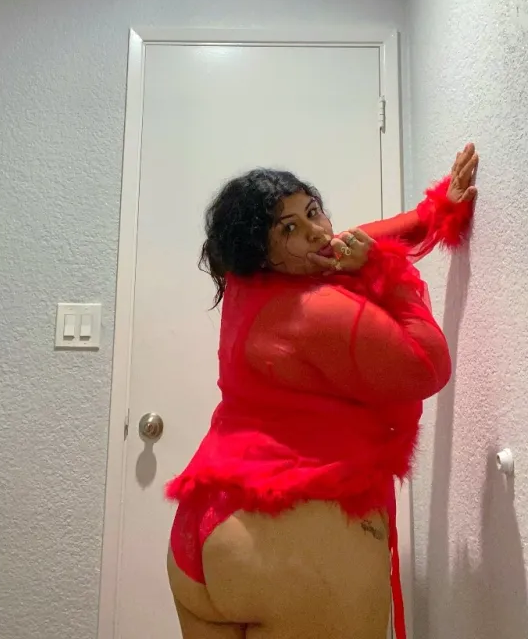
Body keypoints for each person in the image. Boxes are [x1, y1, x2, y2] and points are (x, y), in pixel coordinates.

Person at [166, 144, 479, 639]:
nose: (315, 231)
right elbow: (428, 364)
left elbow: (347, 242)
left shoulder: (247, 285)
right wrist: (389, 274)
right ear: (261, 251)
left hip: (202, 536)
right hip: (296, 535)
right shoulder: (316, 310)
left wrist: (433, 212)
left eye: (313, 211)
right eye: (288, 229)